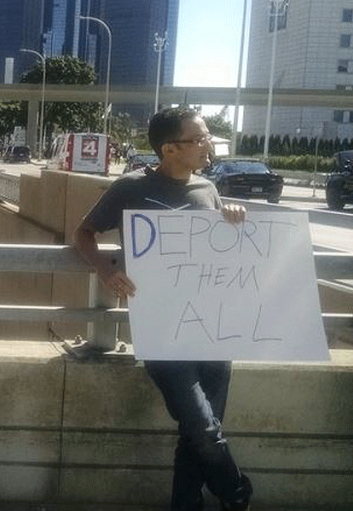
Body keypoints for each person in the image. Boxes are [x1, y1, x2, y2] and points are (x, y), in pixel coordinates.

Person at [74, 106, 252, 511]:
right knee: (204, 430)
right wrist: (105, 270)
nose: (208, 145)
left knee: (195, 433)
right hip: (160, 331)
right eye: (199, 138)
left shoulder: (208, 189)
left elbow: (219, 254)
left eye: (207, 137)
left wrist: (232, 219)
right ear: (169, 149)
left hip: (212, 331)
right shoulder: (130, 187)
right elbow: (83, 233)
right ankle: (238, 492)